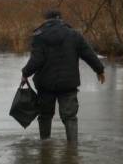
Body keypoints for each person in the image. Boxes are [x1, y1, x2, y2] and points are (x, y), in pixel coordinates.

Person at [21, 10, 105, 142]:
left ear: (46, 20)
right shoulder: (74, 35)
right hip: (68, 84)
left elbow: (37, 60)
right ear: (60, 19)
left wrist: (25, 73)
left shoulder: (39, 36)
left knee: (45, 115)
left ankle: (45, 145)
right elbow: (88, 54)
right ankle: (72, 149)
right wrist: (99, 69)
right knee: (70, 117)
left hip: (45, 85)